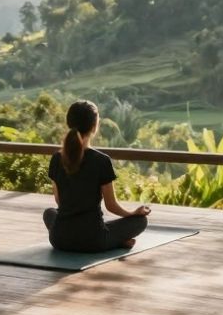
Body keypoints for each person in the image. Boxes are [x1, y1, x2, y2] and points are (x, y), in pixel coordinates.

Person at [43, 100, 150, 252]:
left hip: (59, 239)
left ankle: (114, 240)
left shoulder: (56, 158)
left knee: (49, 213)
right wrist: (133, 213)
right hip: (93, 240)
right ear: (94, 127)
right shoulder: (102, 161)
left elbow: (59, 200)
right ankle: (117, 241)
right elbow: (111, 205)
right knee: (140, 221)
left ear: (69, 123)